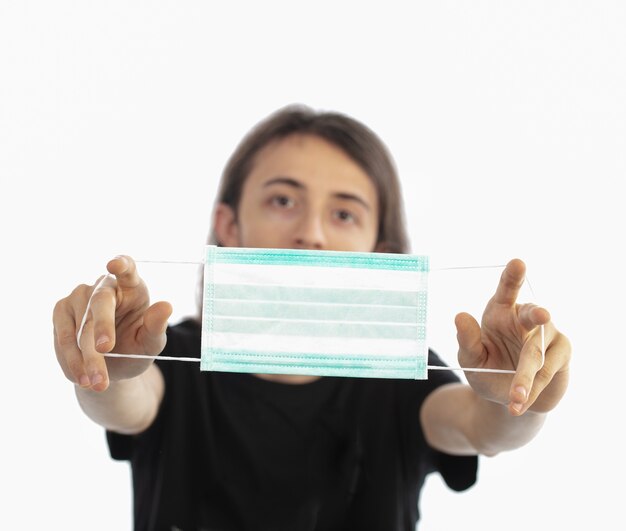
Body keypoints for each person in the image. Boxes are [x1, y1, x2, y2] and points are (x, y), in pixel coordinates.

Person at [53, 104, 571, 531]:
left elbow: (480, 428)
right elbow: (127, 401)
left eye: (344, 213)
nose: (313, 234)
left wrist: (517, 397)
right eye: (283, 200)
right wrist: (107, 363)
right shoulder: (173, 363)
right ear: (228, 226)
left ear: (379, 252)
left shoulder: (397, 380)